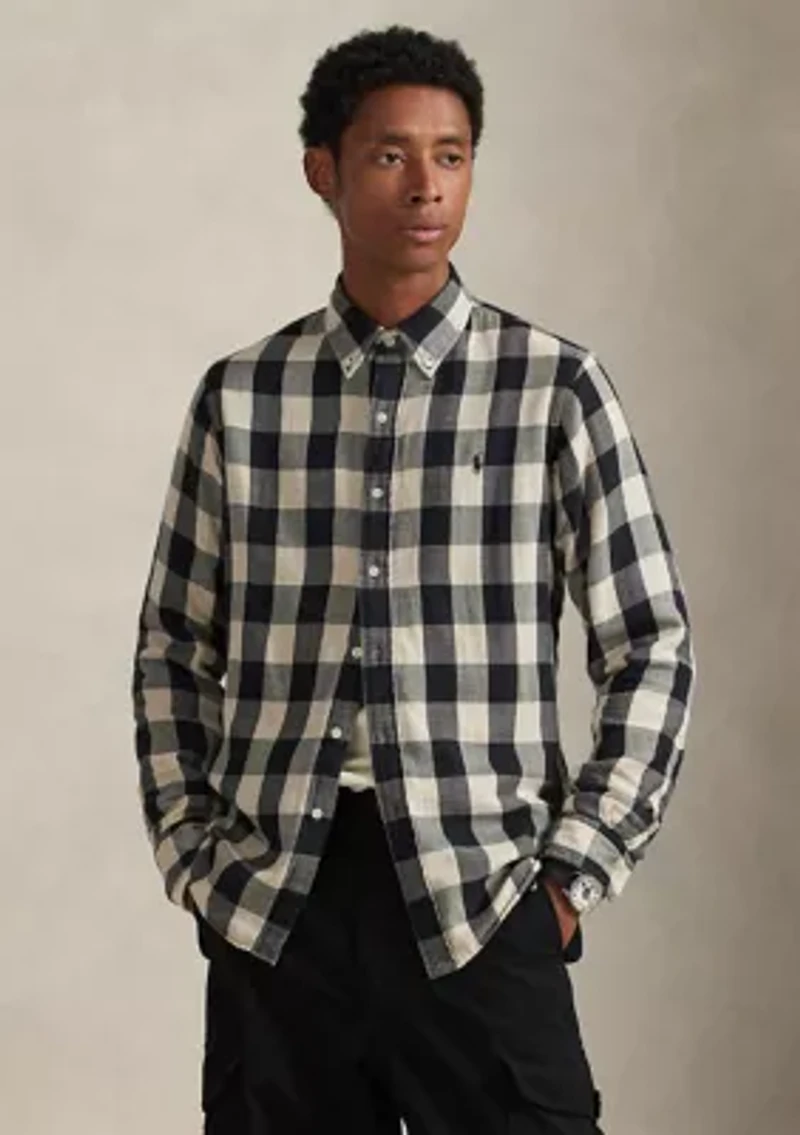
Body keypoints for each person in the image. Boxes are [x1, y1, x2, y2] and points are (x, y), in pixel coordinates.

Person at [130, 23, 696, 1135]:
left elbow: (651, 643)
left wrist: (571, 875)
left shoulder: (553, 388)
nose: (427, 186)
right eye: (391, 155)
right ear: (324, 171)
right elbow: (172, 649)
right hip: (278, 906)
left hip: (481, 893)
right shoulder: (242, 397)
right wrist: (194, 858)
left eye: (452, 155)